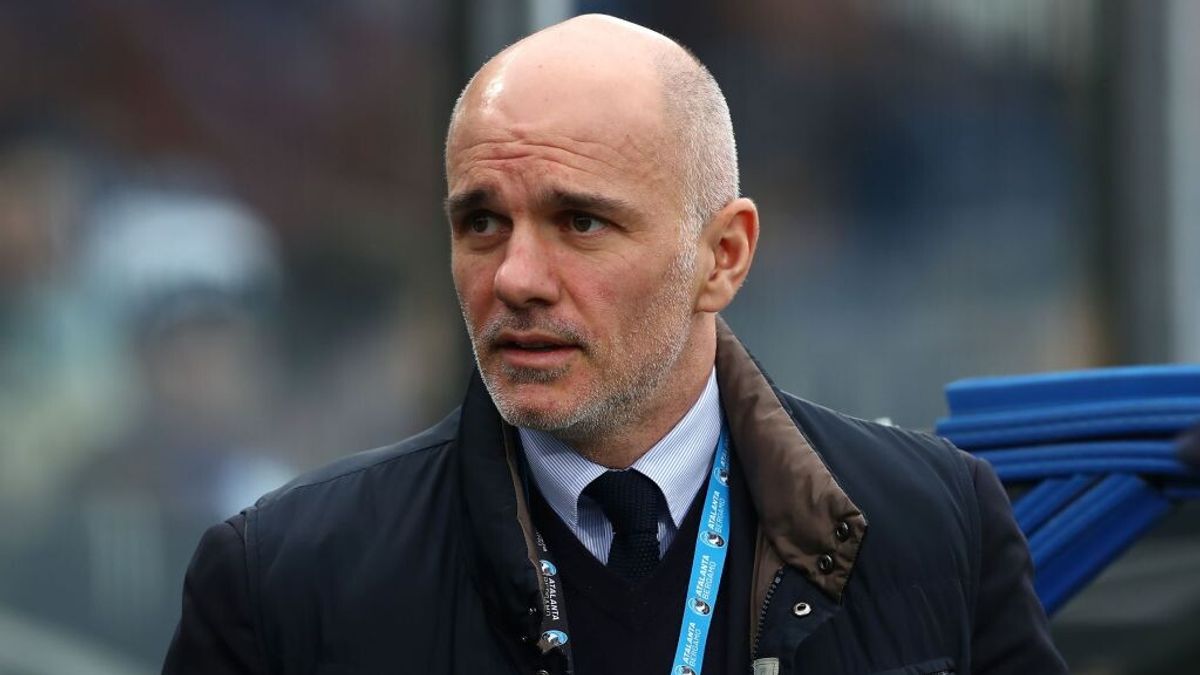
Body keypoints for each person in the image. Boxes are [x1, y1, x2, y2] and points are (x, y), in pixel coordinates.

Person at [164, 14, 1067, 674]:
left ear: (724, 256)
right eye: (482, 222)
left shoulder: (936, 524)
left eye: (581, 222)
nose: (516, 276)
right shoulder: (285, 578)